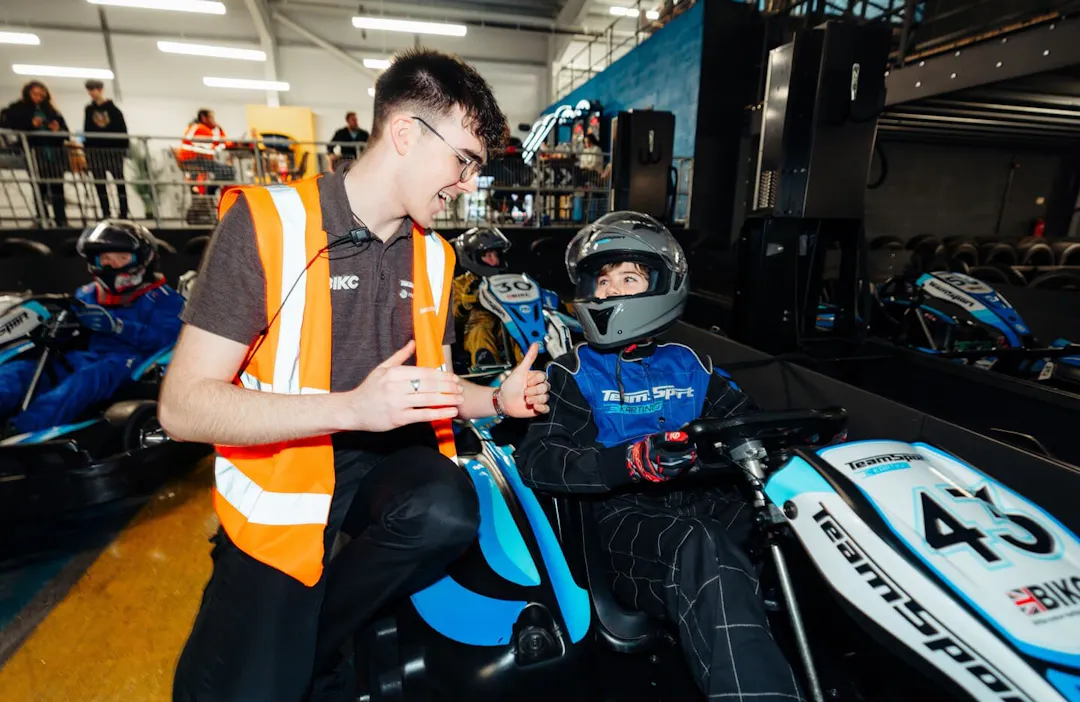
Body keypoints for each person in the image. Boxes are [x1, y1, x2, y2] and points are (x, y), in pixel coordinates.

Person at [164, 48, 550, 702]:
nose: (467, 184)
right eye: (463, 160)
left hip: (381, 462)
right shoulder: (266, 225)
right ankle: (288, 647)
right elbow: (183, 408)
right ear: (405, 133)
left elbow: (433, 388)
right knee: (247, 690)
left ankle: (314, 638)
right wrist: (350, 408)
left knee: (447, 509)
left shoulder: (435, 255)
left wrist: (498, 398)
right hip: (283, 472)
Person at [517, 212, 806, 702]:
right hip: (624, 519)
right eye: (601, 280)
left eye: (627, 278)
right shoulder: (570, 372)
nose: (609, 292)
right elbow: (540, 459)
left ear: (663, 286)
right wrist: (628, 461)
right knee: (702, 547)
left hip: (702, 503)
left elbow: (746, 427)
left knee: (799, 521)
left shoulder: (693, 366)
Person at [0, 220, 183, 436]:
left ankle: (19, 430)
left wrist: (118, 327)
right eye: (105, 259)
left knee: (89, 377)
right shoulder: (87, 294)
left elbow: (168, 340)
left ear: (143, 259)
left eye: (120, 258)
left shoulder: (166, 300)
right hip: (86, 357)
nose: (111, 265)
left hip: (134, 364)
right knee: (21, 370)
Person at [2, 81, 69, 227]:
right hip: (34, 152)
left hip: (55, 153)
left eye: (41, 95)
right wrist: (31, 125)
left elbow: (66, 133)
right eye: (35, 94)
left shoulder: (52, 111)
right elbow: (10, 127)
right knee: (40, 187)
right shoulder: (18, 109)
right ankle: (42, 218)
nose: (38, 97)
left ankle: (61, 220)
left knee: (58, 187)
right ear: (28, 94)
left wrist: (57, 129)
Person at [451, 226, 515, 370]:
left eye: (496, 255)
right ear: (473, 258)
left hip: (503, 327)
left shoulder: (508, 280)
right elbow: (450, 322)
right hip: (473, 332)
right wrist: (464, 305)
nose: (495, 261)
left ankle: (531, 365)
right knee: (480, 331)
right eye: (488, 256)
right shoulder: (460, 284)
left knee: (517, 330)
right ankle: (488, 368)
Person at [83, 79, 130, 220]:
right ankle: (105, 212)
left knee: (119, 182)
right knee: (100, 184)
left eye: (94, 89)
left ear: (100, 90)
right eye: (90, 90)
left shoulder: (114, 110)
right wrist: (87, 151)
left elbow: (122, 131)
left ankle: (123, 212)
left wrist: (123, 150)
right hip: (96, 152)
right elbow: (87, 130)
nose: (92, 93)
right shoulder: (89, 110)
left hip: (113, 151)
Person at [178, 108, 235, 197]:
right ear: (204, 118)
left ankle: (210, 194)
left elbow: (217, 144)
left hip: (195, 158)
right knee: (229, 171)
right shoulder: (202, 129)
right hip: (194, 159)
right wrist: (219, 129)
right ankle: (210, 194)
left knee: (226, 171)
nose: (214, 121)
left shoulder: (196, 128)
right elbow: (222, 142)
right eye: (211, 118)